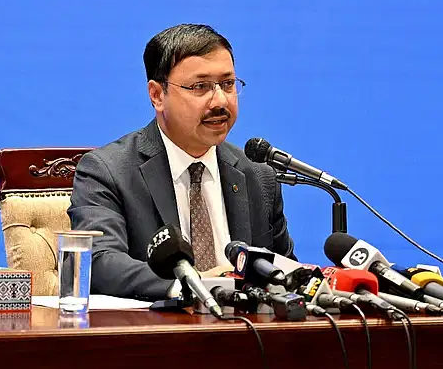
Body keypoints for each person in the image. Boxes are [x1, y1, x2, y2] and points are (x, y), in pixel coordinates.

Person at [68, 24, 296, 300]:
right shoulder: (108, 170)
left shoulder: (257, 176)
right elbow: (100, 260)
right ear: (157, 95)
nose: (220, 101)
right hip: (160, 336)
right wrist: (195, 287)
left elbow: (283, 275)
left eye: (227, 84)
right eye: (200, 87)